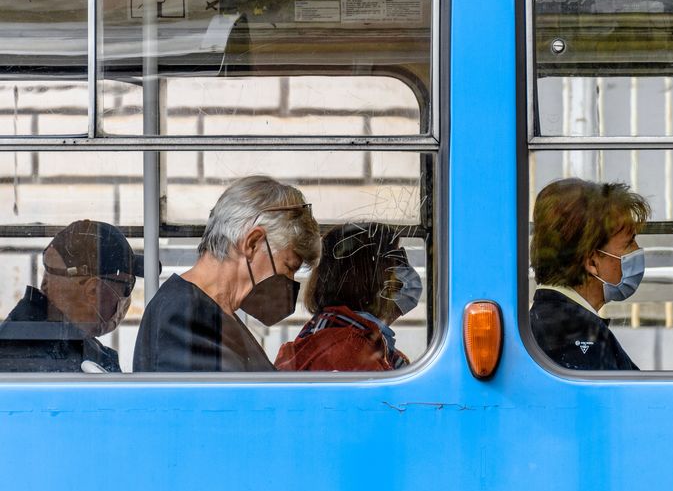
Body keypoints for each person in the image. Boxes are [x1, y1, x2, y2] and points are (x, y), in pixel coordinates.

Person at [133, 176, 321, 372]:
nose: (290, 281)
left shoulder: (211, 312)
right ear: (252, 243)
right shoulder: (185, 314)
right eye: (289, 266)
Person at [530, 178, 650, 370]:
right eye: (629, 242)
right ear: (592, 262)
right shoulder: (576, 337)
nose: (637, 250)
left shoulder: (553, 322)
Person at [0, 220, 148, 372]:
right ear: (93, 291)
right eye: (127, 287)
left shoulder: (30, 337)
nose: (127, 301)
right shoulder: (43, 358)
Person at [275, 223, 421, 372]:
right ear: (369, 278)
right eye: (397, 261)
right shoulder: (349, 352)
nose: (407, 271)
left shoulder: (359, 343)